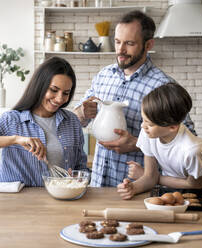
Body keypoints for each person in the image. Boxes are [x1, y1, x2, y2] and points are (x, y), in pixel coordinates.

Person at [73, 10, 195, 187]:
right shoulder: (103, 76)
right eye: (117, 42)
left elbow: (188, 139)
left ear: (148, 45)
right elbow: (76, 121)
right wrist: (83, 113)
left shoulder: (163, 85)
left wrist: (138, 144)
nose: (120, 50)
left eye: (129, 43)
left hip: (140, 187)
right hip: (98, 184)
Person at [0, 57, 87, 187]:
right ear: (40, 86)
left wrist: (77, 177)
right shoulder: (13, 120)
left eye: (66, 93)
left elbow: (80, 166)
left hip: (60, 199)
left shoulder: (72, 122)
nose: (60, 99)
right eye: (54, 90)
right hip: (19, 203)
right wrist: (15, 140)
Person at [117, 83, 202, 199]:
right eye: (143, 119)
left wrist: (156, 178)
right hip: (176, 192)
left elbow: (194, 185)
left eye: (150, 123)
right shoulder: (148, 133)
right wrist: (133, 187)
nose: (143, 126)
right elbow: (149, 177)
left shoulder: (192, 149)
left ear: (172, 127)